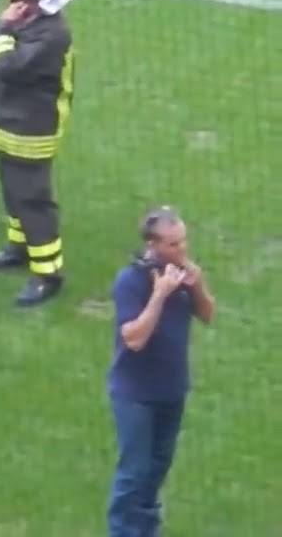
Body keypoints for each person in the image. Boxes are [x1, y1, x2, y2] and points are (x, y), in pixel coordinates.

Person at [105, 206, 216, 537]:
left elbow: (208, 315)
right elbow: (134, 339)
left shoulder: (181, 275)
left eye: (183, 242)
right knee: (133, 473)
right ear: (152, 246)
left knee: (156, 469)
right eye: (173, 245)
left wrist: (198, 286)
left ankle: (147, 529)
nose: (182, 250)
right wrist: (159, 295)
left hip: (171, 390)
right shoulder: (131, 281)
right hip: (136, 396)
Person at [0, 0, 76, 306]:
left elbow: (8, 66)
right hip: (10, 122)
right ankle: (19, 248)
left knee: (33, 200)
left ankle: (47, 273)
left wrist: (2, 30)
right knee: (14, 191)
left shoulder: (51, 34)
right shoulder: (29, 17)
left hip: (31, 130)